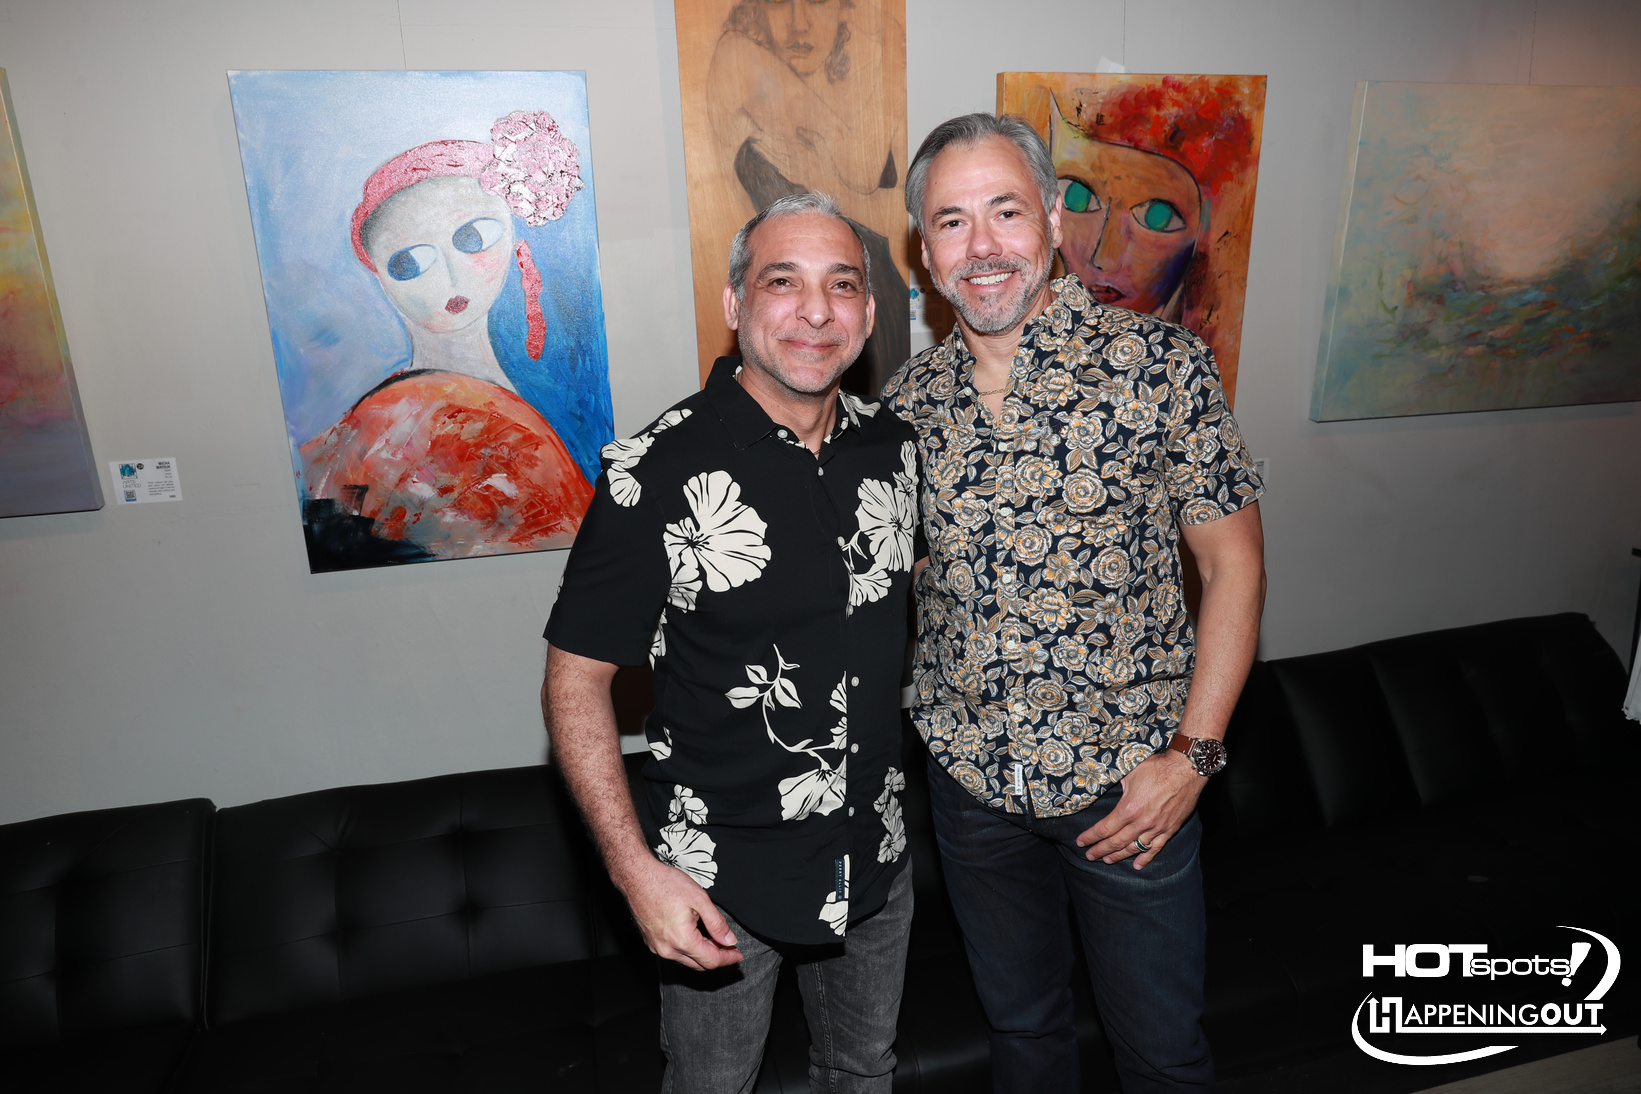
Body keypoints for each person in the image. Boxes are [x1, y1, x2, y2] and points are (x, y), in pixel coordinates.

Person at [883, 113, 1267, 1093]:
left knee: (1162, 1056)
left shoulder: (1162, 368)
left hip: (1128, 787)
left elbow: (1233, 567)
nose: (981, 246)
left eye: (1005, 212)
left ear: (1052, 220)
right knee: (1022, 1036)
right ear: (924, 251)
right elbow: (914, 571)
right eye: (952, 222)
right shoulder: (904, 405)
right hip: (971, 790)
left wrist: (1193, 758)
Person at [543, 191, 921, 1092]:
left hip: (875, 856)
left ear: (869, 313)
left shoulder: (895, 448)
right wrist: (635, 872)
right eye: (782, 282)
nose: (816, 312)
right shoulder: (653, 471)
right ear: (734, 304)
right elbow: (573, 682)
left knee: (862, 1073)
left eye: (842, 285)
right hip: (718, 881)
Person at [300, 111, 598, 569]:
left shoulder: (502, 403)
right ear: (381, 277)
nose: (450, 274)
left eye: (473, 237)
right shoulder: (394, 421)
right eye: (409, 263)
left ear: (513, 234)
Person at [707, 0, 909, 392]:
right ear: (734, 304)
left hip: (883, 302)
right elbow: (864, 176)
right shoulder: (738, 57)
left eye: (817, 2)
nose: (798, 23)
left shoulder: (894, 426)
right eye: (782, 281)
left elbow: (871, 179)